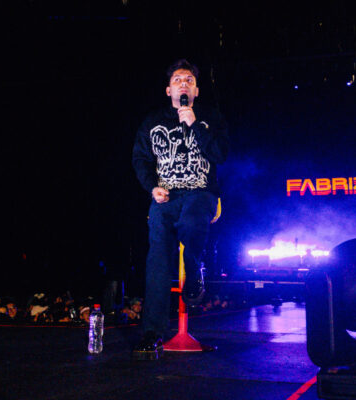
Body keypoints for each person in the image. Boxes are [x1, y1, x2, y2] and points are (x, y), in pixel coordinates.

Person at [131, 59, 229, 358]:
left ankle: (195, 265)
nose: (183, 83)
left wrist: (194, 123)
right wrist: (152, 187)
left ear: (196, 90)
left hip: (201, 193)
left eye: (189, 79)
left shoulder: (210, 117)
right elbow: (140, 159)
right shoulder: (152, 121)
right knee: (157, 256)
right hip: (166, 197)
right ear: (168, 89)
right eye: (177, 79)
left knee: (191, 222)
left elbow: (221, 155)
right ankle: (152, 333)